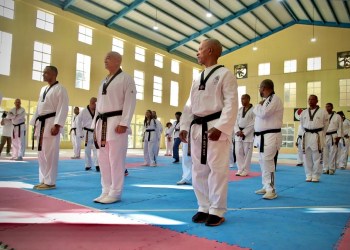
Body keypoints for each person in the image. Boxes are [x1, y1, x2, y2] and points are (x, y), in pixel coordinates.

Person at [179, 38, 238, 226]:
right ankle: (203, 206)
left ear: (211, 51)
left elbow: (231, 103)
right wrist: (183, 126)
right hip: (197, 127)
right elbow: (190, 105)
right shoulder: (197, 77)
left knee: (217, 169)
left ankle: (217, 210)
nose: (197, 53)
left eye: (200, 49)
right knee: (198, 169)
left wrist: (221, 127)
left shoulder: (225, 74)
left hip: (214, 126)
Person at [92, 51, 136, 204]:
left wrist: (124, 123)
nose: (105, 60)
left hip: (116, 123)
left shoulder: (126, 79)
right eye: (104, 58)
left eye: (108, 58)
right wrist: (94, 127)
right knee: (103, 159)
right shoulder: (104, 81)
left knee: (116, 160)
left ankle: (115, 192)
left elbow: (130, 102)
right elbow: (99, 106)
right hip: (102, 123)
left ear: (118, 61)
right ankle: (105, 190)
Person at [30, 65, 69, 190]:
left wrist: (57, 125)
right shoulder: (43, 89)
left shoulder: (60, 89)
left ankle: (50, 181)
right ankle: (43, 179)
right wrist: (34, 123)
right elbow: (38, 107)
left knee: (50, 154)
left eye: (46, 73)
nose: (43, 75)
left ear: (54, 74)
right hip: (41, 124)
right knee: (41, 154)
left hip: (52, 123)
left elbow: (63, 108)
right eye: (43, 73)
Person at [253, 79, 283, 200]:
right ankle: (266, 186)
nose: (259, 90)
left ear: (264, 88)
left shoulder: (273, 99)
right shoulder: (266, 100)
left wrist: (257, 106)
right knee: (262, 162)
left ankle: (271, 189)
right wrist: (260, 106)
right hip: (262, 136)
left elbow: (264, 113)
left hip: (270, 136)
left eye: (260, 88)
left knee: (268, 162)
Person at [300, 95, 328, 182]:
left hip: (317, 135)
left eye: (312, 99)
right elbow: (302, 125)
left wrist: (321, 135)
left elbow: (326, 125)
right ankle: (308, 175)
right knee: (306, 156)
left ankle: (316, 175)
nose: (310, 101)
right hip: (307, 135)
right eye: (309, 99)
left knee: (317, 156)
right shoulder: (303, 112)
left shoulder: (323, 112)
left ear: (317, 101)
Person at [233, 94, 255, 176]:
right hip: (238, 134)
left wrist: (244, 132)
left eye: (244, 99)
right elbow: (235, 122)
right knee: (238, 152)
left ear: (248, 99)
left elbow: (253, 123)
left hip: (248, 135)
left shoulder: (254, 110)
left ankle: (245, 170)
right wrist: (237, 131)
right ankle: (240, 169)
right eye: (241, 99)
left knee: (247, 154)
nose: (242, 101)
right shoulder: (239, 110)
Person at [77, 97, 99, 171]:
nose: (95, 106)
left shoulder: (98, 111)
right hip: (87, 132)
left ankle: (97, 165)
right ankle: (88, 165)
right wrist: (80, 133)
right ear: (91, 103)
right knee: (87, 149)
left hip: (95, 132)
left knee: (96, 149)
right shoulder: (84, 111)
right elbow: (78, 121)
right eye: (94, 104)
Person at [323, 103, 342, 175]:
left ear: (332, 107)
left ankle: (331, 169)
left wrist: (339, 136)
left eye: (329, 106)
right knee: (325, 153)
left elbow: (340, 127)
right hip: (325, 136)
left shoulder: (337, 116)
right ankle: (325, 168)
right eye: (326, 106)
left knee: (333, 153)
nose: (327, 108)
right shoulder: (324, 116)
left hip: (334, 136)